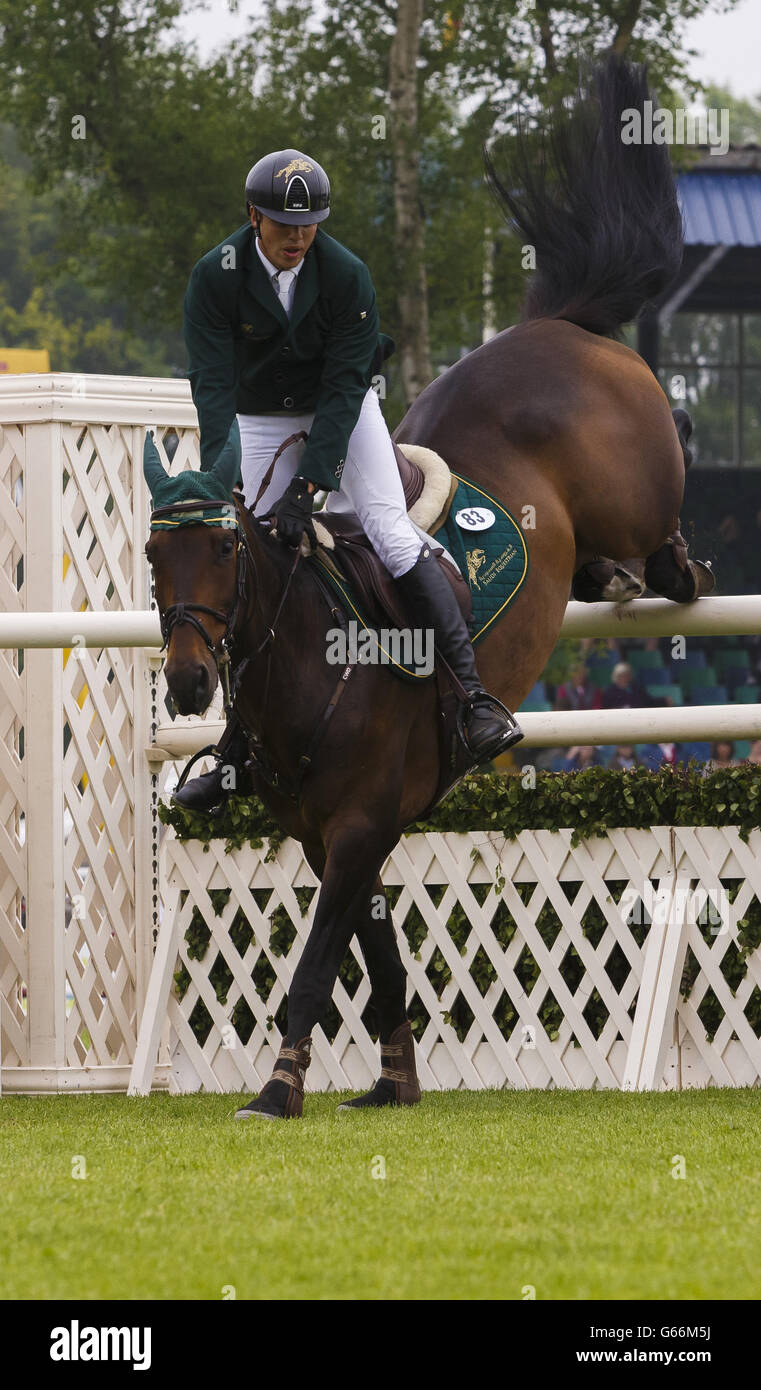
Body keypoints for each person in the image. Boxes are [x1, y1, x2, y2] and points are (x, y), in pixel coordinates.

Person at [173, 148, 521, 810]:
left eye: (308, 225)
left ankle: (473, 700)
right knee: (247, 551)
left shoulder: (344, 274)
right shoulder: (212, 277)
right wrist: (223, 478)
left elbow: (339, 394)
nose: (297, 237)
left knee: (388, 529)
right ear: (253, 218)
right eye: (282, 225)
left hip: (343, 407)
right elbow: (212, 388)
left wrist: (309, 490)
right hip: (257, 416)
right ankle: (234, 751)